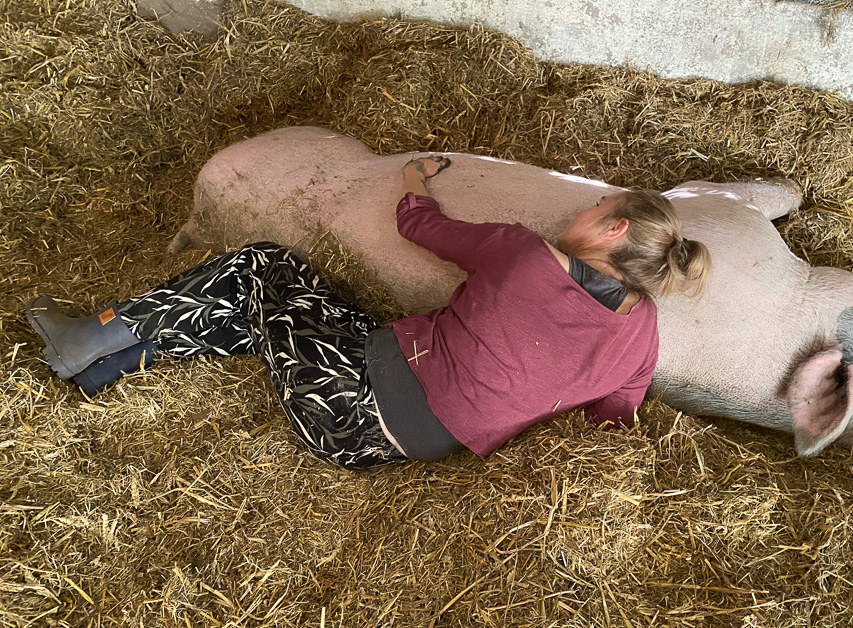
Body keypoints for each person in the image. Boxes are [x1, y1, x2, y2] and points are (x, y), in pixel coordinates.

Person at [25, 156, 711, 470]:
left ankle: (89, 335)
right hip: (395, 445)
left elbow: (420, 226)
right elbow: (612, 420)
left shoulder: (526, 255)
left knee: (261, 267)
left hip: (347, 401)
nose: (583, 211)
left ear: (615, 230)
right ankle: (114, 364)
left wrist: (414, 179)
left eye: (596, 207)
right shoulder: (642, 332)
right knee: (281, 312)